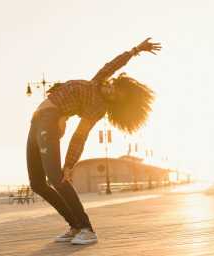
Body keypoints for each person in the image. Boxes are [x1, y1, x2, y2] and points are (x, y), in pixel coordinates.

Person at [26, 38, 161, 245]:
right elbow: (113, 64)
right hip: (36, 123)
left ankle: (87, 229)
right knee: (37, 183)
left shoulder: (97, 107)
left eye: (115, 95)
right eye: (114, 86)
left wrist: (70, 164)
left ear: (117, 103)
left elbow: (80, 136)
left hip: (48, 122)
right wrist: (135, 50)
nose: (110, 89)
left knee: (57, 178)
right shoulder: (98, 80)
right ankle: (74, 226)